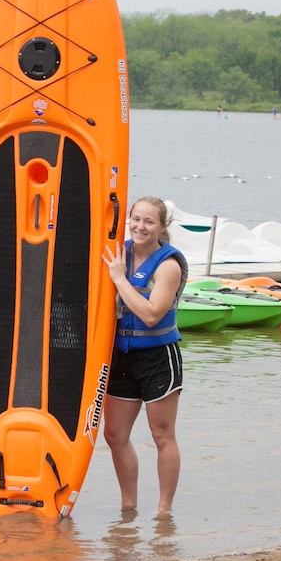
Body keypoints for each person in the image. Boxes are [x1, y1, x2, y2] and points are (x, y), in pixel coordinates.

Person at [101, 195, 189, 516]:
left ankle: (164, 511)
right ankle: (129, 507)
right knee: (114, 435)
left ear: (162, 227)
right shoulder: (117, 254)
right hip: (122, 355)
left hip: (158, 357)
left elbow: (152, 314)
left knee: (161, 434)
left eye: (149, 221)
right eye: (135, 219)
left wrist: (119, 280)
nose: (140, 226)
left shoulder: (168, 265)